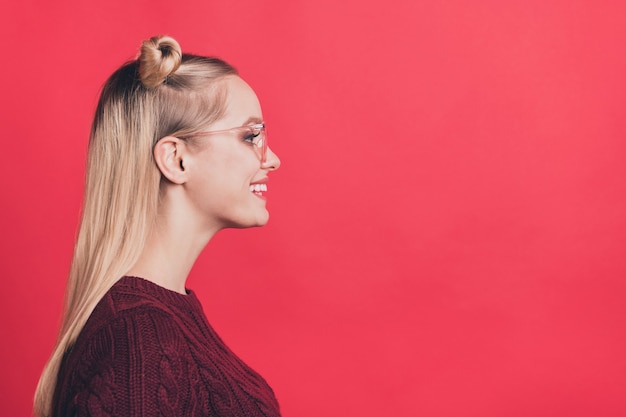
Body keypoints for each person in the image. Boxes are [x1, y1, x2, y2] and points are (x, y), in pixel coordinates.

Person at [34, 35, 282, 417]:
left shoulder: (157, 322)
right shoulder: (138, 338)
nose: (273, 159)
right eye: (251, 136)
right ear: (176, 159)